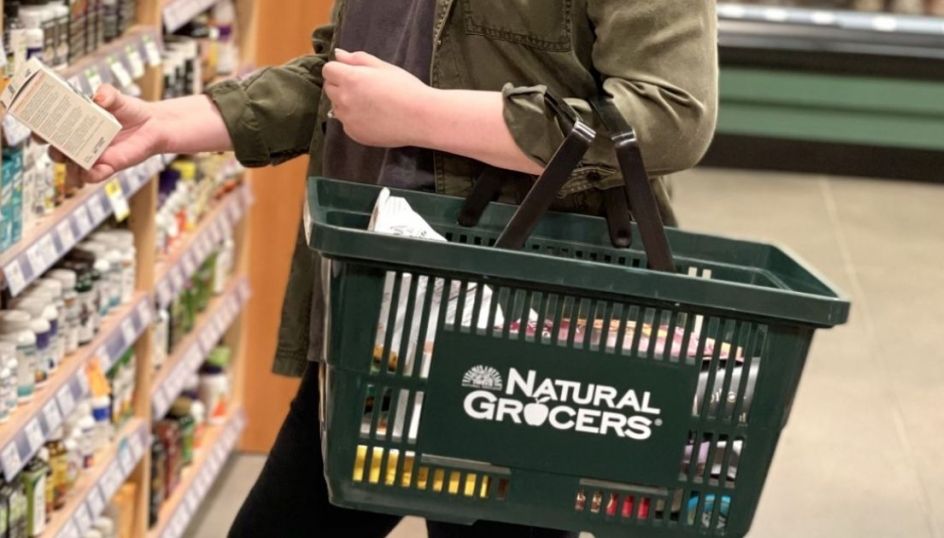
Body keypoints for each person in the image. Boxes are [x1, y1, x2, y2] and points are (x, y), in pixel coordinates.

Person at [62, 1, 718, 536]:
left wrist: (420, 115)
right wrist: (171, 121)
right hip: (374, 317)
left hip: (526, 341)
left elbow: (671, 115)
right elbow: (343, 80)